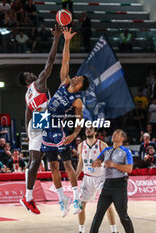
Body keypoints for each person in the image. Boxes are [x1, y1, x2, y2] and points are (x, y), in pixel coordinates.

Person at [41, 27, 90, 217]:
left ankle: (76, 198)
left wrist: (75, 135)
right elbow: (65, 60)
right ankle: (63, 199)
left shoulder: (77, 100)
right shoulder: (64, 82)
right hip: (46, 126)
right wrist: (67, 41)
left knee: (67, 165)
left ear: (80, 85)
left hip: (60, 131)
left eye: (78, 78)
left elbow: (80, 121)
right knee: (52, 166)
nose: (75, 76)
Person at [18, 25, 61, 215]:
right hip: (42, 118)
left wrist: (28, 133)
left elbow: (28, 113)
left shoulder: (27, 96)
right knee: (38, 160)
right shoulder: (39, 81)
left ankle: (28, 197)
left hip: (36, 120)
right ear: (27, 79)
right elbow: (50, 60)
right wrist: (57, 38)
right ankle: (28, 197)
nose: (31, 73)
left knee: (35, 160)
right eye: (28, 74)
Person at [90, 129, 134, 233]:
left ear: (122, 138)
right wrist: (96, 163)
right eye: (113, 132)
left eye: (117, 133)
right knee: (98, 214)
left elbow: (129, 169)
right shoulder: (106, 150)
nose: (114, 134)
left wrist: (114, 165)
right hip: (107, 185)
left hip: (119, 186)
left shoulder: (126, 151)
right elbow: (95, 162)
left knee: (123, 215)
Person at [75, 127, 117, 233]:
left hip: (101, 178)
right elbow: (80, 162)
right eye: (87, 129)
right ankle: (81, 230)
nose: (88, 131)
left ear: (95, 132)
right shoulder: (81, 145)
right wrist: (75, 176)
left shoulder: (102, 145)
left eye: (91, 129)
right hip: (87, 178)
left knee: (107, 205)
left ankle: (114, 231)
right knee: (81, 205)